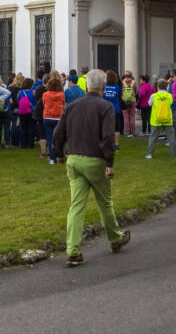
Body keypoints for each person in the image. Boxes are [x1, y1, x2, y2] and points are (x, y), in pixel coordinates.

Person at [52, 69, 131, 267]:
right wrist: (109, 163)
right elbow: (107, 138)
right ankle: (114, 239)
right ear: (103, 88)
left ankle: (73, 249)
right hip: (95, 160)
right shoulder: (105, 107)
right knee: (105, 202)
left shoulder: (72, 106)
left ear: (86, 85)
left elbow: (58, 133)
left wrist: (60, 153)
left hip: (74, 159)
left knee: (76, 205)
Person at [145, 79, 176, 158]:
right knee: (171, 136)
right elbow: (171, 103)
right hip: (167, 118)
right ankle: (173, 154)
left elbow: (149, 104)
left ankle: (149, 154)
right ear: (166, 86)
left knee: (153, 137)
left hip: (156, 119)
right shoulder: (169, 95)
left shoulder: (154, 96)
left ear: (157, 86)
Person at [41, 74, 65, 164]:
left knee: (50, 138)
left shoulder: (45, 94)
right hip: (58, 118)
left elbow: (44, 104)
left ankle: (52, 158)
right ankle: (59, 156)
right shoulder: (62, 95)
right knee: (59, 138)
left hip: (47, 117)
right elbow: (63, 104)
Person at [103, 70, 123, 149]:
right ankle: (116, 144)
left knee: (105, 127)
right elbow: (119, 97)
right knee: (116, 128)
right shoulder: (118, 88)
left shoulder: (103, 87)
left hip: (105, 109)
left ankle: (107, 143)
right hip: (116, 109)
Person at [120, 70, 137, 137]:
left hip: (125, 101)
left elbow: (121, 92)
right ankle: (132, 131)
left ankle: (127, 131)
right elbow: (136, 91)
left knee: (126, 117)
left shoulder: (123, 82)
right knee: (132, 117)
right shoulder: (133, 82)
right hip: (132, 101)